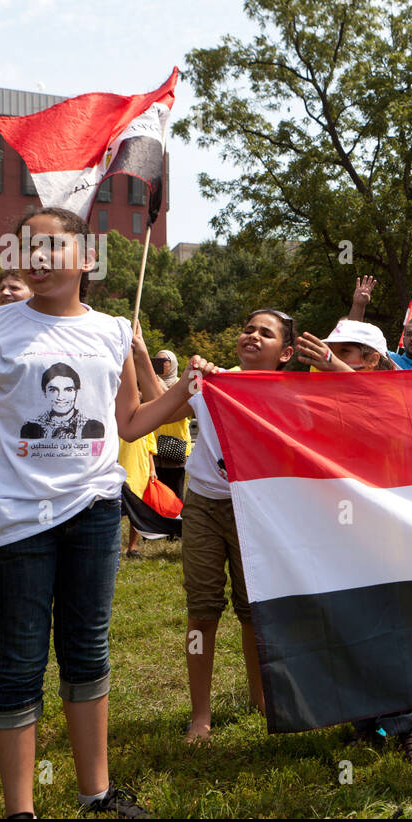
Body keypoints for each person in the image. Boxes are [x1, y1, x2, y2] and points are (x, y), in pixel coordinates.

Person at [0, 206, 168, 819]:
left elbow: (130, 422)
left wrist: (190, 389)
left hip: (94, 512)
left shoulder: (112, 331)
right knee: (20, 659)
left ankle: (96, 795)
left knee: (87, 649)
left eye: (55, 249)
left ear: (86, 259)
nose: (41, 259)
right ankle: (19, 813)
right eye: (29, 249)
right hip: (16, 521)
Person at [126, 310, 295, 744]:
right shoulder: (210, 381)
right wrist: (142, 354)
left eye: (265, 333)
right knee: (202, 612)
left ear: (286, 353)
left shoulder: (291, 395)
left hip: (254, 510)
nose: (252, 336)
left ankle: (261, 697)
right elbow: (152, 414)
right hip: (202, 507)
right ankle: (200, 715)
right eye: (247, 328)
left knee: (253, 610)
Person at [296, 320, 412, 760]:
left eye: (346, 352)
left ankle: (408, 724)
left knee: (394, 624)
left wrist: (334, 367)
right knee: (349, 622)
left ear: (372, 359)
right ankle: (365, 721)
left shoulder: (396, 394)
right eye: (331, 351)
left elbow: (383, 417)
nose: (332, 359)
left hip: (388, 530)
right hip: (335, 529)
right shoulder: (320, 400)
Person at [18, 362, 106, 439]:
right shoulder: (31, 428)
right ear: (45, 392)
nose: (60, 397)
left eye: (68, 390)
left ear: (76, 392)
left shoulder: (93, 427)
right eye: (53, 390)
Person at [151, 350, 192, 499]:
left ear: (173, 363)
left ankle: (175, 521)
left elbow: (173, 403)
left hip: (175, 444)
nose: (160, 364)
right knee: (156, 494)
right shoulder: (149, 384)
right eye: (157, 360)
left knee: (175, 493)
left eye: (164, 361)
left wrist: (158, 383)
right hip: (154, 446)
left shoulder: (181, 383)